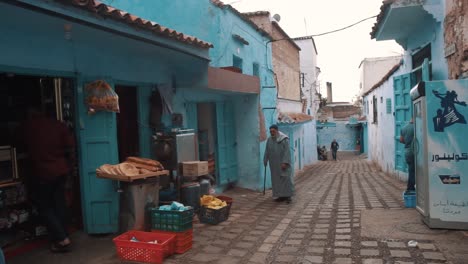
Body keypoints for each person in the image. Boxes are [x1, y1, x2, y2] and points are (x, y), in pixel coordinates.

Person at [17, 105, 75, 253]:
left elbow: (18, 145)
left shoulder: (28, 127)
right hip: (60, 171)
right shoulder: (58, 124)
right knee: (59, 204)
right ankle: (64, 234)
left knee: (45, 207)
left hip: (43, 173)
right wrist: (69, 166)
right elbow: (70, 146)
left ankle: (62, 239)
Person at [264, 125, 294, 203]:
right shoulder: (269, 140)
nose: (272, 133)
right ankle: (280, 196)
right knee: (276, 181)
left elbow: (287, 152)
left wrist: (285, 162)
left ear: (277, 131)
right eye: (270, 132)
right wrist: (265, 159)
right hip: (274, 164)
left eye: (273, 131)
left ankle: (288, 196)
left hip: (283, 164)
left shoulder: (284, 139)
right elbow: (267, 150)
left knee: (286, 179)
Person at [400, 119, 415, 193]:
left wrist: (408, 142)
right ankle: (410, 188)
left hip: (407, 152)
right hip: (415, 151)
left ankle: (410, 187)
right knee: (415, 171)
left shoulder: (403, 128)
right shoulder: (417, 127)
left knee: (411, 170)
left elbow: (401, 140)